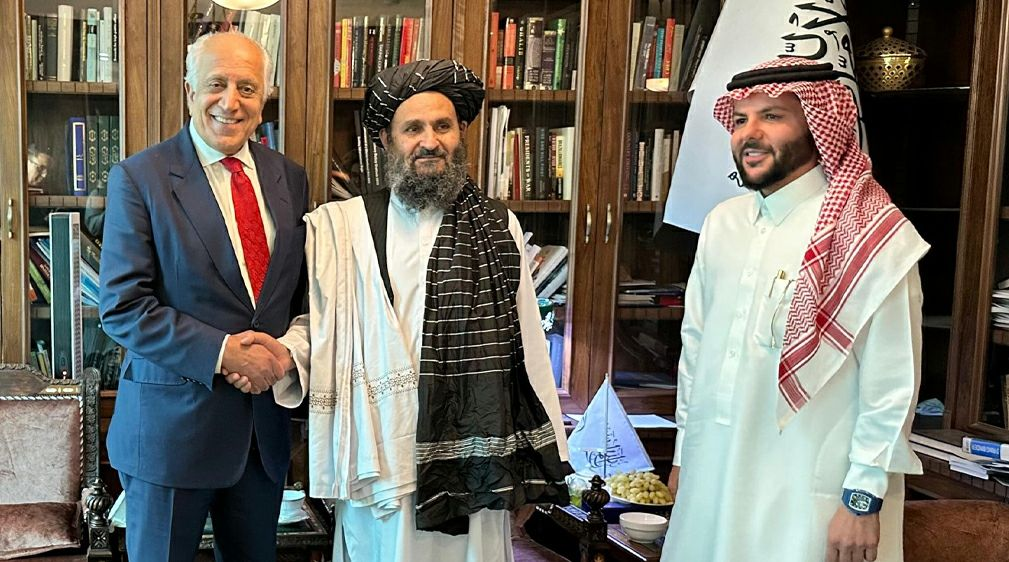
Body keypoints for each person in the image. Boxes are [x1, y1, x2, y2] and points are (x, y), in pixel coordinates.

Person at [239, 59, 571, 562]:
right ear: (387, 140)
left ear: (461, 133)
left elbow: (525, 344)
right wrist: (282, 357)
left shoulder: (496, 224)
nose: (429, 141)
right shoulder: (343, 226)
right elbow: (324, 329)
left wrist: (541, 462)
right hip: (379, 453)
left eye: (442, 126)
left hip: (478, 458)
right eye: (412, 128)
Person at [661, 57, 929, 562]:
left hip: (813, 493)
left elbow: (893, 381)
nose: (750, 133)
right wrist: (683, 457)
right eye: (740, 120)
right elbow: (695, 351)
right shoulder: (722, 223)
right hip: (712, 474)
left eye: (773, 116)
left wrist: (863, 497)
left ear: (818, 126)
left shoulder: (870, 233)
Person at [98, 31, 308, 561]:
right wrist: (225, 353)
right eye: (217, 84)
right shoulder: (139, 178)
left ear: (266, 97)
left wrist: (284, 354)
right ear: (190, 90)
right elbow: (123, 307)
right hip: (170, 437)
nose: (230, 102)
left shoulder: (290, 179)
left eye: (247, 87)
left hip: (262, 437)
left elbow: (300, 297)